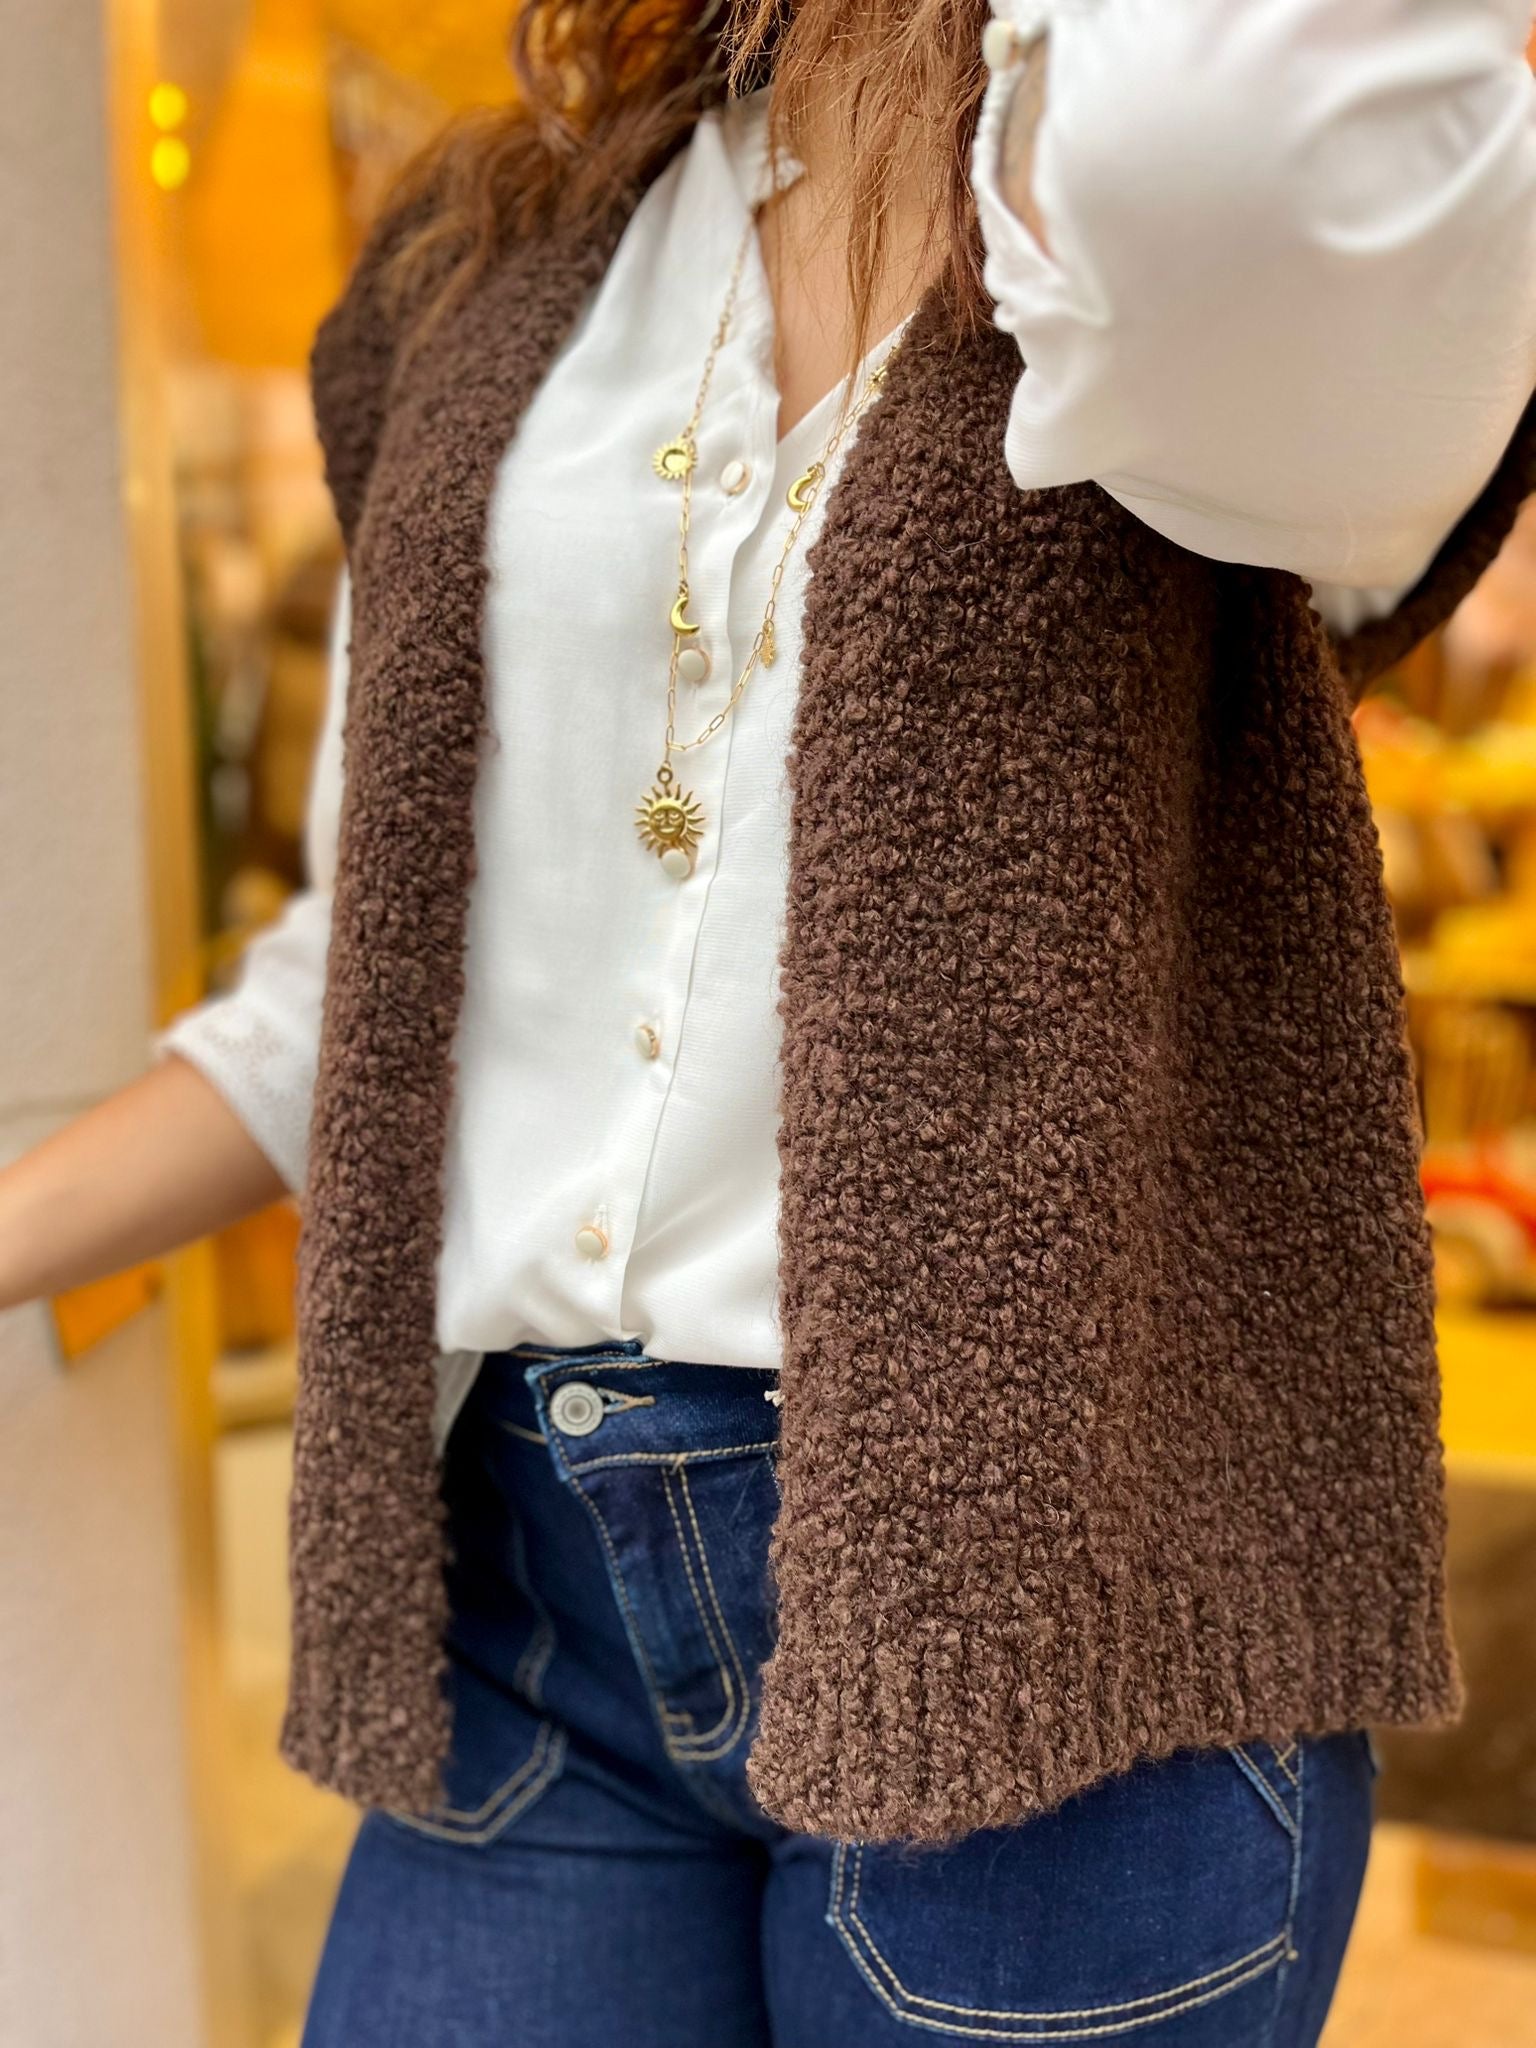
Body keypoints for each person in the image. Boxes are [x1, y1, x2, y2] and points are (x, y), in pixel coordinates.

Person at [5, 2, 1536, 2041]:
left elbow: (1227, 133)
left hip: (1069, 1640)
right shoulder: (495, 255)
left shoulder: (1168, 219)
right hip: (534, 1615)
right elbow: (376, 987)